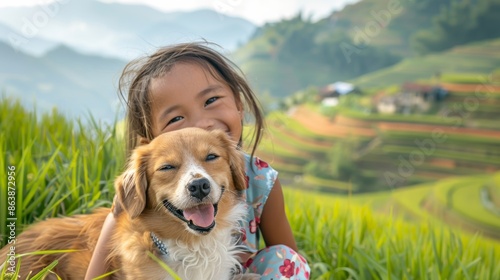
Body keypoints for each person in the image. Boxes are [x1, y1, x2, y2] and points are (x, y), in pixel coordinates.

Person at [85, 42, 311, 280]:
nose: (201, 124)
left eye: (211, 100)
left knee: (285, 258)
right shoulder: (140, 189)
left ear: (238, 103)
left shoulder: (261, 179)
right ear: (152, 138)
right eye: (176, 118)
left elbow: (290, 264)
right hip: (167, 264)